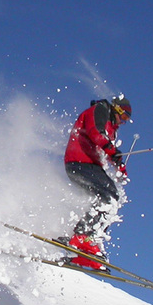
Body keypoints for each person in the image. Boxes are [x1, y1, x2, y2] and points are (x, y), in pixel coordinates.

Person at [59, 96, 133, 270]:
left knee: (111, 199)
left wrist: (119, 165)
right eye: (124, 117)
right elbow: (95, 133)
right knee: (109, 199)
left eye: (127, 120)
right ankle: (82, 236)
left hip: (88, 164)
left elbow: (106, 147)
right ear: (117, 110)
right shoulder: (100, 110)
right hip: (79, 162)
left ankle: (86, 245)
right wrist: (112, 150)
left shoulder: (111, 127)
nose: (123, 122)